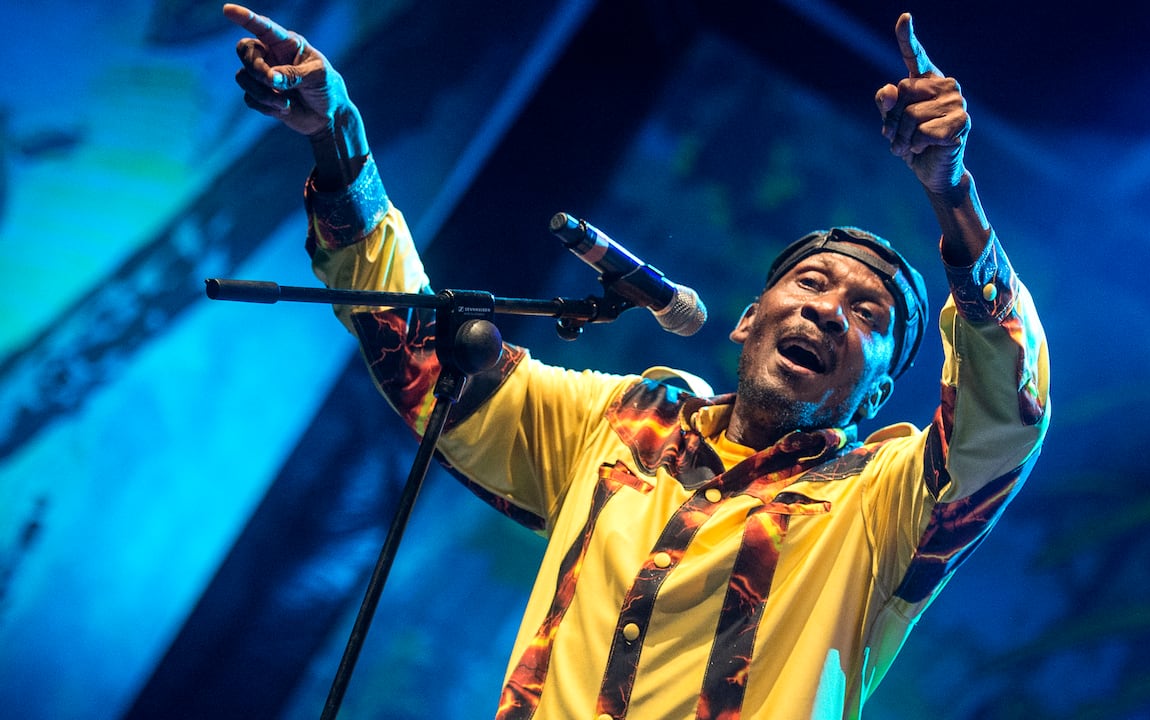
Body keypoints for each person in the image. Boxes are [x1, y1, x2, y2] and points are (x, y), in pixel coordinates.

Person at [224, 3, 1050, 718]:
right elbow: (426, 354)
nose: (829, 311)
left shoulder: (884, 505)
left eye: (868, 316)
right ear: (747, 322)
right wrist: (337, 144)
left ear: (874, 393)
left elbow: (1003, 417)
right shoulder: (624, 426)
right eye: (810, 283)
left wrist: (953, 193)